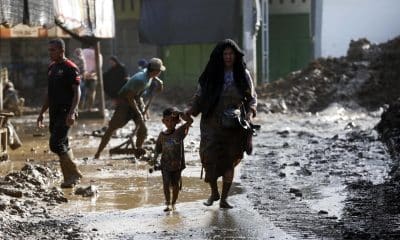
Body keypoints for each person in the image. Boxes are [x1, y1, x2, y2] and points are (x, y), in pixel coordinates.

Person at [185, 39, 257, 209]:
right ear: (220, 56)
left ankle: (224, 199)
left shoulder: (242, 74)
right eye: (225, 54)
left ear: (235, 55)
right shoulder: (211, 74)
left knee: (229, 160)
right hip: (211, 122)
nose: (228, 57)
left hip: (233, 124)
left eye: (231, 53)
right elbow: (199, 96)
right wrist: (190, 110)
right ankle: (213, 192)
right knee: (208, 157)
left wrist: (250, 113)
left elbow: (252, 97)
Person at [94, 57, 166, 159]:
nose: (159, 73)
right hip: (125, 104)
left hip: (136, 100)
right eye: (159, 72)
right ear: (155, 71)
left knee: (143, 129)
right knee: (112, 128)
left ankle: (138, 150)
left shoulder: (148, 73)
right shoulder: (140, 80)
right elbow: (129, 98)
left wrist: (159, 82)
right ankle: (98, 153)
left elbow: (151, 78)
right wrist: (139, 114)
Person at [37, 38, 83, 188]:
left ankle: (74, 173)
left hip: (66, 111)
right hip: (54, 112)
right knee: (62, 143)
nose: (50, 53)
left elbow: (77, 91)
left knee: (55, 144)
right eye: (49, 50)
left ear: (62, 50)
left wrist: (72, 112)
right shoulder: (51, 67)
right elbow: (49, 94)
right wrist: (42, 112)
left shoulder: (70, 67)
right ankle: (70, 178)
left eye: (53, 50)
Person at [151, 107, 193, 212]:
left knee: (175, 185)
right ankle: (168, 203)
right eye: (167, 120)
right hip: (165, 164)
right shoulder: (162, 135)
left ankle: (174, 203)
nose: (170, 123)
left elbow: (190, 121)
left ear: (177, 121)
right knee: (166, 183)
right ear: (163, 121)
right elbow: (157, 149)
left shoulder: (180, 132)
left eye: (173, 120)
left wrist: (179, 113)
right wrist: (154, 159)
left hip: (177, 165)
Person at [82, 47, 102, 111]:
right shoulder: (98, 54)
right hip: (93, 77)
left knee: (80, 92)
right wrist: (92, 74)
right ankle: (89, 108)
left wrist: (84, 73)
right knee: (92, 93)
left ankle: (80, 108)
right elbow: (99, 67)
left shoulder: (83, 51)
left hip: (83, 75)